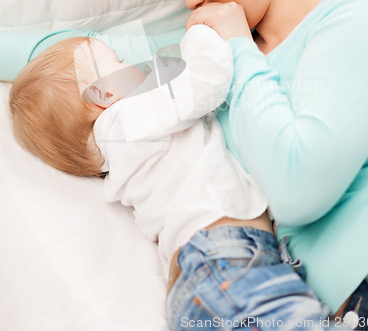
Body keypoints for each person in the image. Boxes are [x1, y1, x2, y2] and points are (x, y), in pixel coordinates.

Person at [151, 0, 368, 330]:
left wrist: (240, 49)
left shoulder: (365, 10)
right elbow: (84, 62)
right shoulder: (214, 59)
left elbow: (299, 188)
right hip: (335, 311)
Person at [9, 24, 343, 331]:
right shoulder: (126, 120)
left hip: (209, 275)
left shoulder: (118, 149)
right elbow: (206, 81)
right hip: (223, 260)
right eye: (119, 61)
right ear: (103, 94)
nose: (137, 66)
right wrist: (200, 32)